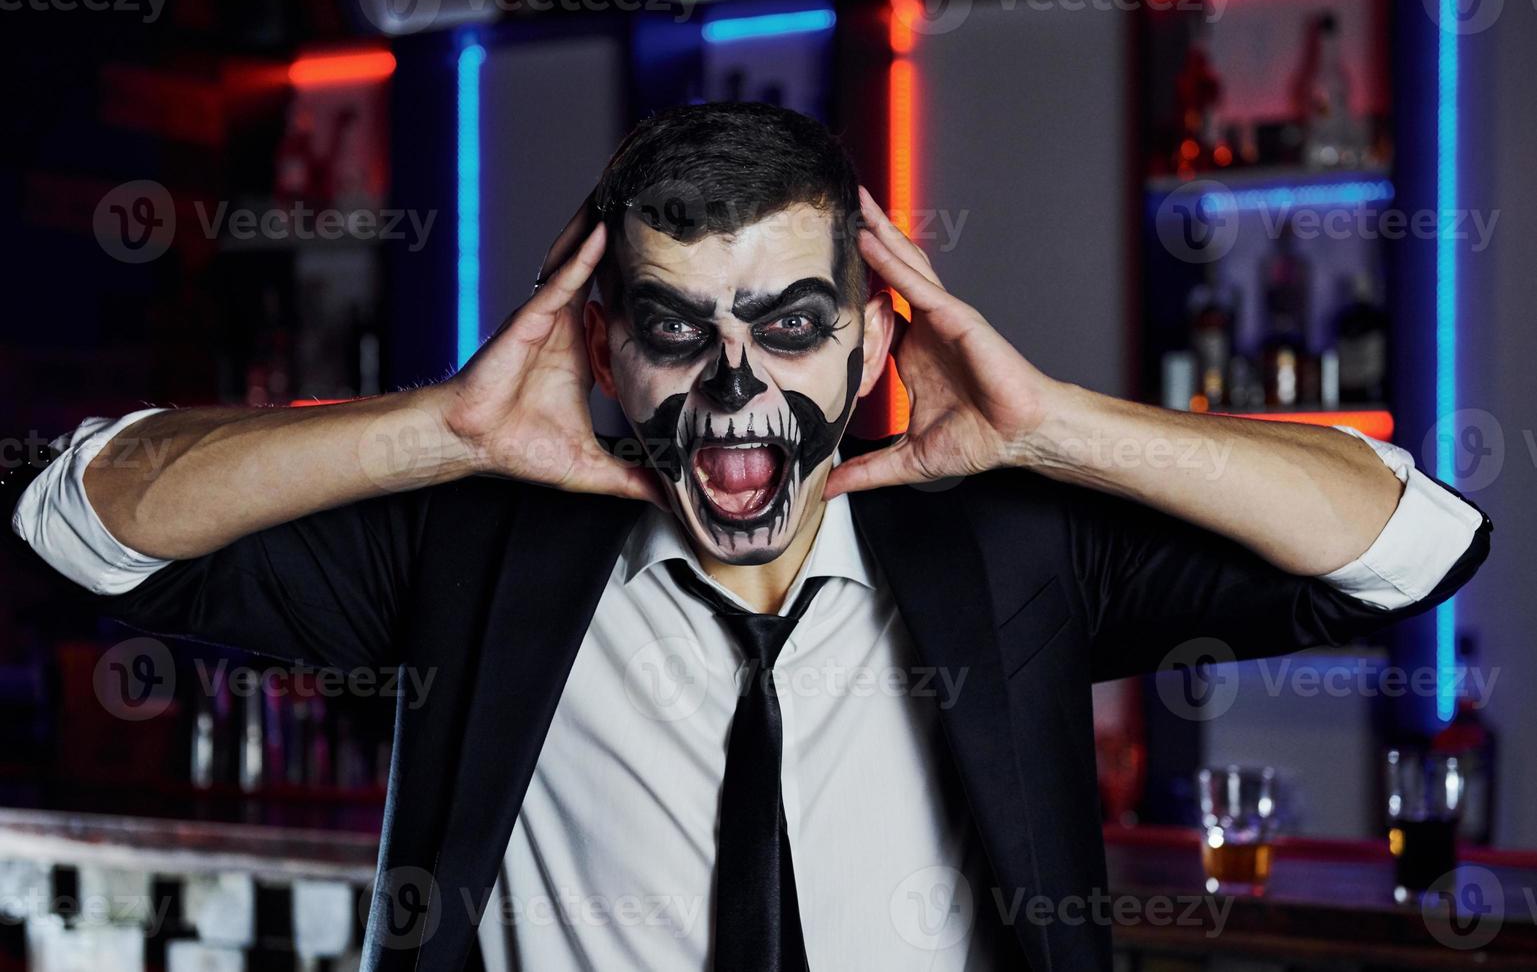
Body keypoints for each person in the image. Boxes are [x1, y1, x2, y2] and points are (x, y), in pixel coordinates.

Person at [4, 102, 1490, 971]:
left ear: (866, 346)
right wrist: (436, 430)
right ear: (602, 349)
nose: (736, 385)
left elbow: (1405, 546)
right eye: (672, 330)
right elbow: (80, 528)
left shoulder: (1009, 549)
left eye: (789, 326)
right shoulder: (470, 553)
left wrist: (1053, 425)